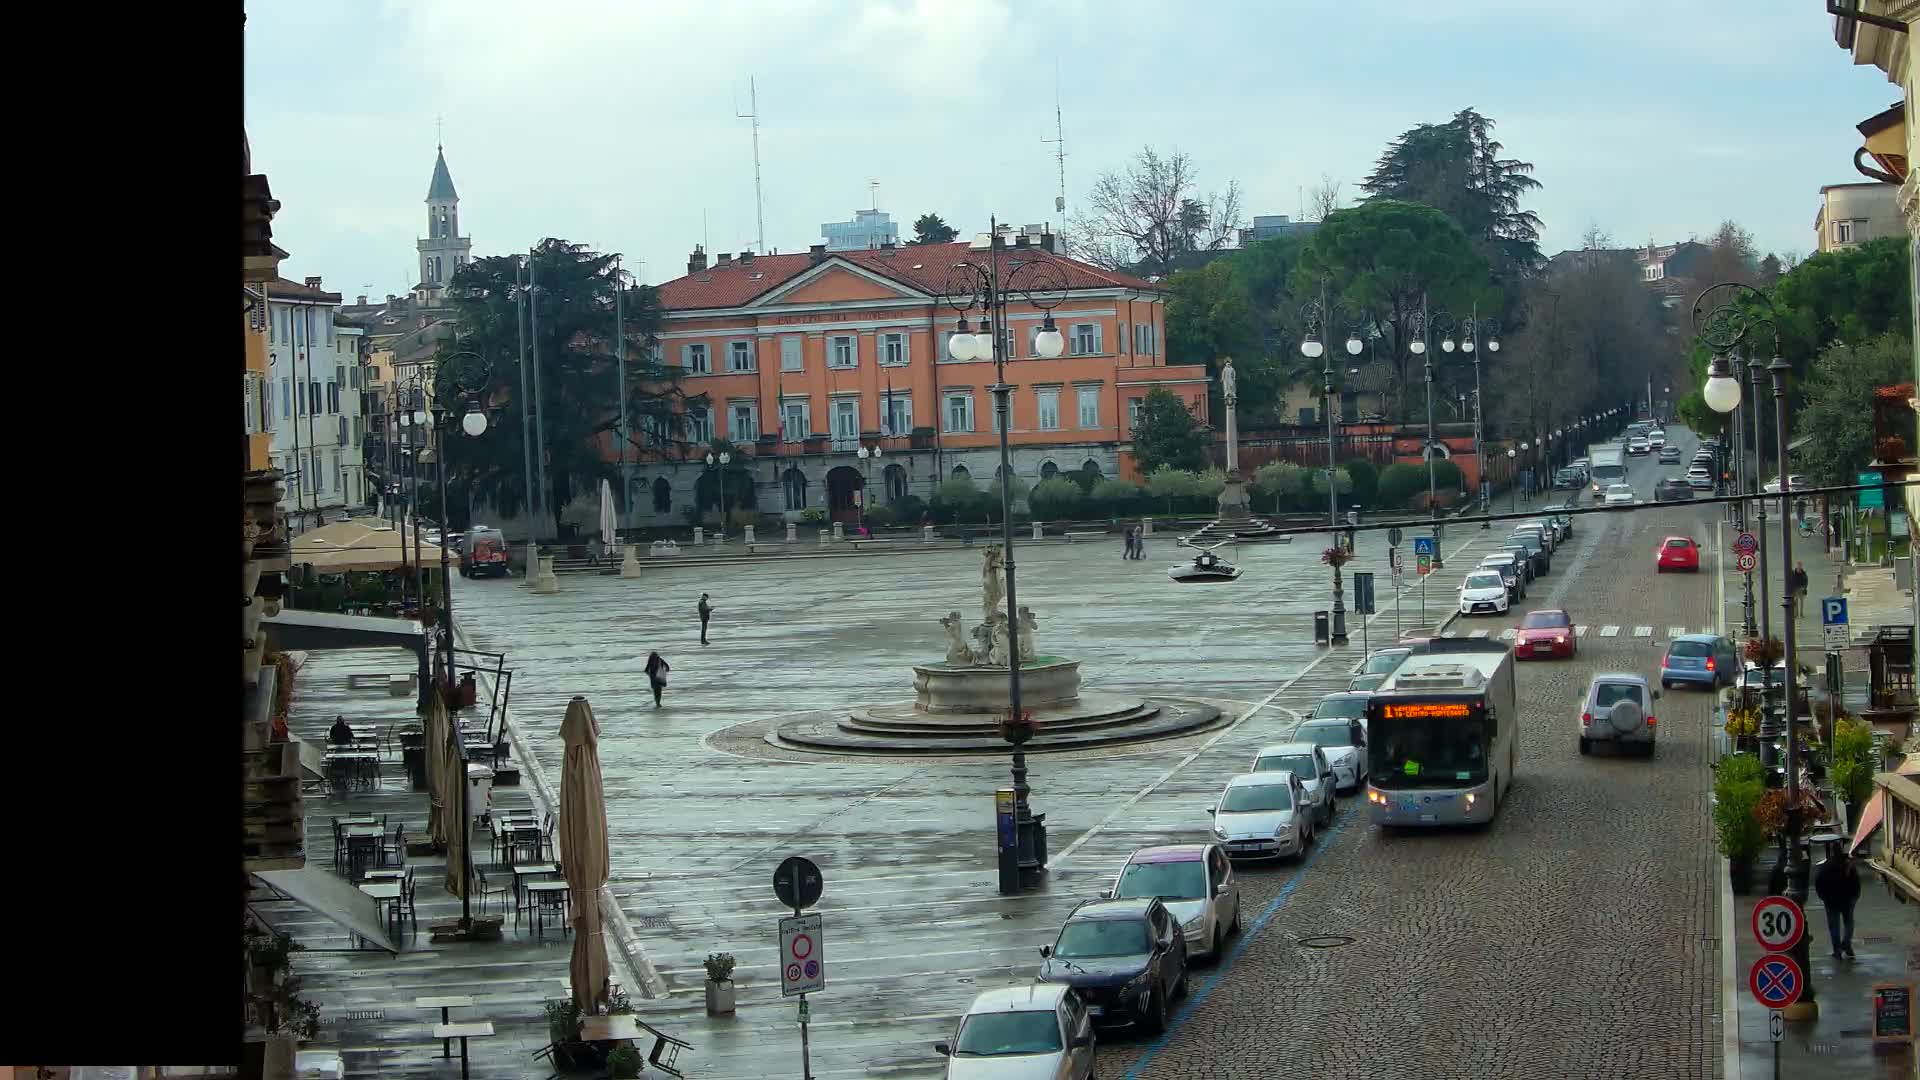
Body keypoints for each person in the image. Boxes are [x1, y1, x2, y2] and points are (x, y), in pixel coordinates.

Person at [1814, 842, 1861, 959]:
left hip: (1831, 901)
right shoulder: (1848, 865)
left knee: (1834, 925)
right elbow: (1856, 882)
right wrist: (1854, 896)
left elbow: (1819, 883)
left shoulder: (1826, 866)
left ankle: (1837, 950)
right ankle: (1846, 944)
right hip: (1847, 899)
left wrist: (1823, 897)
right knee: (1849, 922)